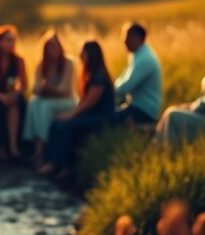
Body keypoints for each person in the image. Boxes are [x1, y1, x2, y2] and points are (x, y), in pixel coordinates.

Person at [38, 41, 115, 179]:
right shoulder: (90, 73)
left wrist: (71, 115)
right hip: (91, 115)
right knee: (56, 123)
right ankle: (52, 162)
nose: (80, 55)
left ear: (90, 55)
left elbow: (89, 104)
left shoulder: (99, 76)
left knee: (66, 126)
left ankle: (65, 166)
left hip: (100, 117)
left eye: (83, 52)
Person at [22, 31, 77, 167]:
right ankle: (35, 146)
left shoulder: (68, 63)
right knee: (33, 103)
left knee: (46, 106)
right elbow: (34, 89)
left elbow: (64, 91)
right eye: (49, 47)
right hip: (48, 99)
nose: (53, 51)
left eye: (55, 47)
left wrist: (47, 88)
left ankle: (43, 149)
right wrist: (42, 89)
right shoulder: (42, 65)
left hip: (67, 102)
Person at [0, 25, 29, 160]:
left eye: (13, 40)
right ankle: (0, 146)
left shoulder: (18, 61)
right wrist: (2, 97)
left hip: (11, 95)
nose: (11, 43)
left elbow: (24, 84)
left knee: (16, 104)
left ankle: (13, 146)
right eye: (8, 40)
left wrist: (15, 93)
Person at [113, 22, 162, 126]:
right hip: (137, 106)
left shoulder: (145, 58)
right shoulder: (137, 55)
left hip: (144, 110)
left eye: (126, 37)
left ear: (136, 38)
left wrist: (107, 93)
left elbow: (126, 86)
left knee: (106, 119)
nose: (124, 41)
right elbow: (122, 80)